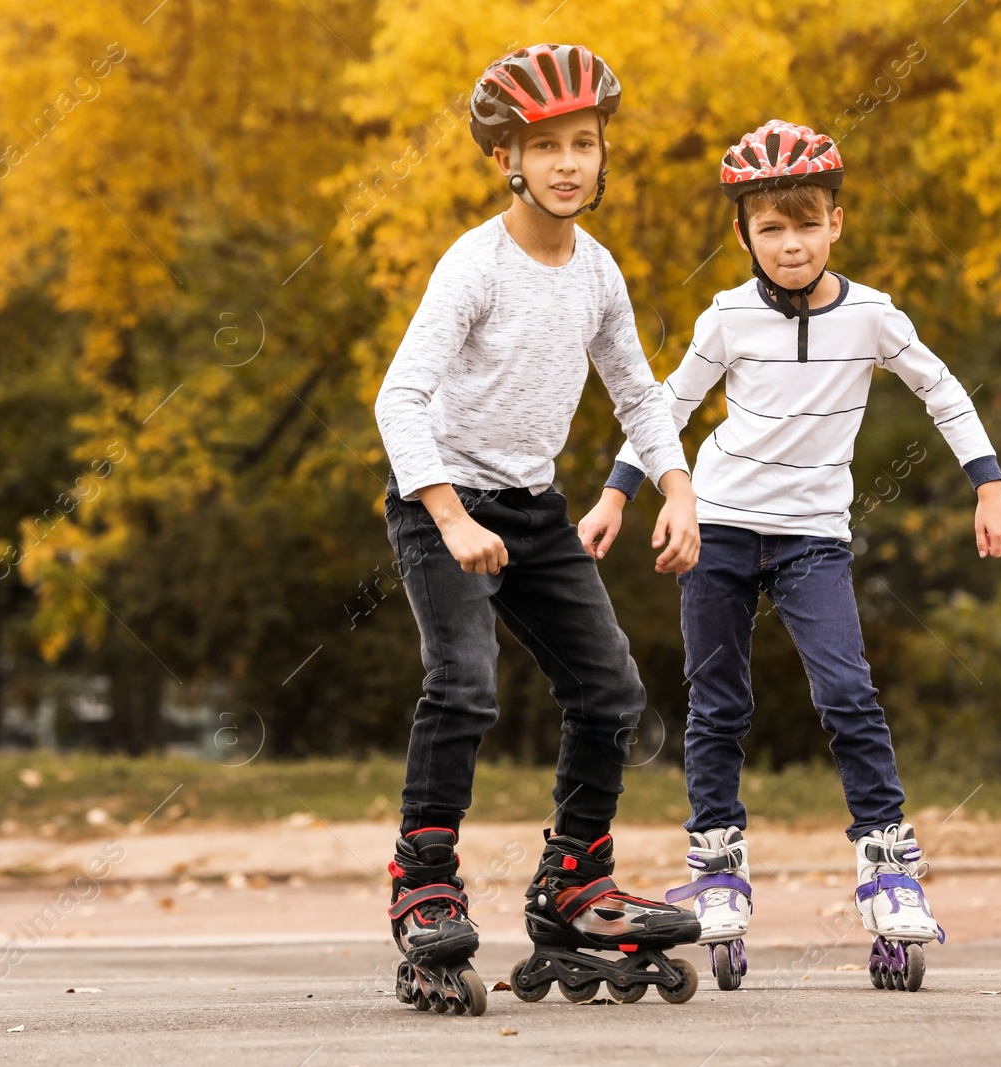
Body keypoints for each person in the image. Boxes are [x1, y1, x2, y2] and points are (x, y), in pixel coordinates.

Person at [577, 119, 1001, 993]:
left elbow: (942, 388)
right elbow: (668, 404)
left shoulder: (872, 316)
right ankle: (716, 866)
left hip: (814, 534)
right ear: (742, 233)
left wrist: (990, 483)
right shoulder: (727, 315)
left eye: (806, 223)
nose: (790, 243)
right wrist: (619, 492)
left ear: (836, 223)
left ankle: (889, 866)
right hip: (723, 524)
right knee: (717, 701)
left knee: (847, 689)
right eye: (770, 228)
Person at [375, 44, 704, 1012]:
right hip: (441, 502)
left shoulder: (596, 270)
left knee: (610, 691)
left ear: (603, 157)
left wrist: (675, 485)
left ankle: (573, 880)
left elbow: (638, 392)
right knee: (464, 682)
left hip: (532, 508)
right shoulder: (474, 264)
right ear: (504, 158)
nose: (567, 162)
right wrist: (447, 516)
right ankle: (423, 880)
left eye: (584, 144)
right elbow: (399, 399)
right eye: (544, 146)